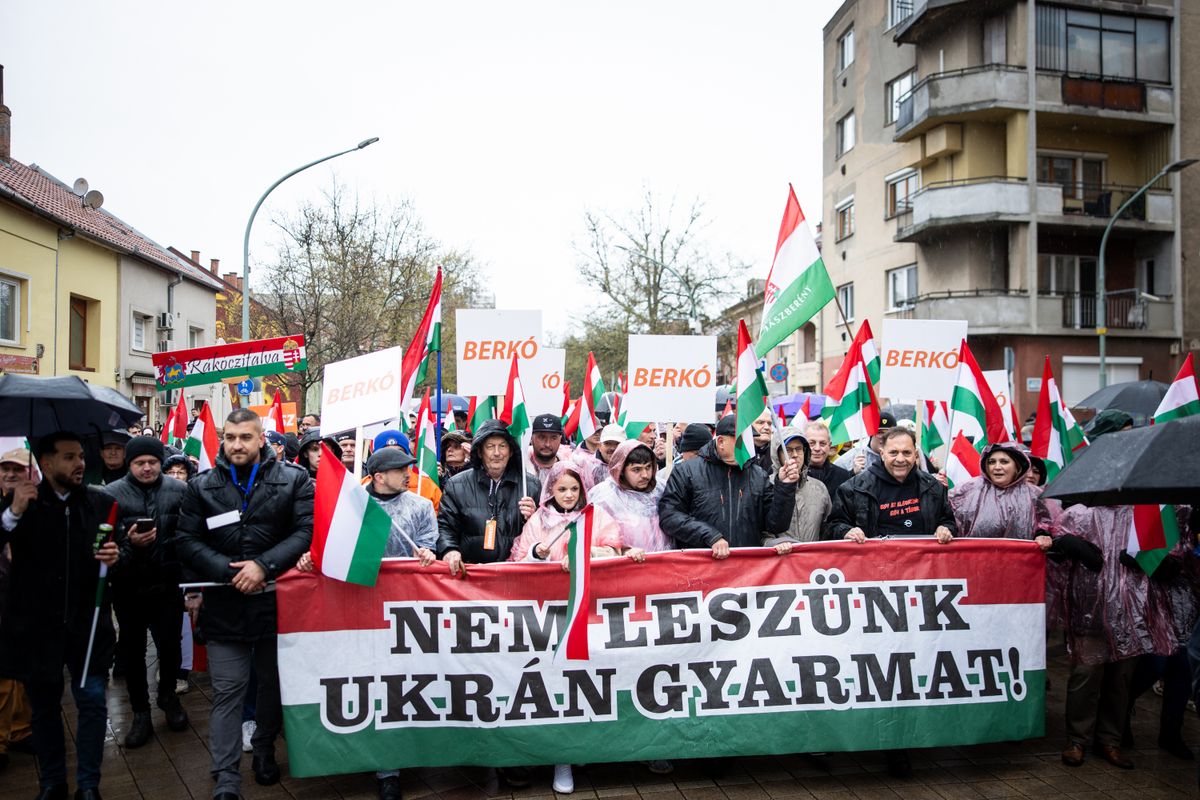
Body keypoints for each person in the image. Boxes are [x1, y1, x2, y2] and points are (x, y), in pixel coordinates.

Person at [175, 409, 314, 800]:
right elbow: (186, 540)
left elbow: (306, 530)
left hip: (276, 605)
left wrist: (263, 566)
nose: (237, 444)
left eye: (245, 437)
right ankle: (226, 776)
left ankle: (265, 750)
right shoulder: (202, 485)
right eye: (230, 437)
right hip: (225, 605)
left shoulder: (293, 479)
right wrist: (227, 571)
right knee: (227, 692)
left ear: (261, 440)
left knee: (270, 685)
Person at [296, 446, 435, 800]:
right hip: (359, 611)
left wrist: (427, 555)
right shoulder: (351, 507)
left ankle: (408, 752)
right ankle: (385, 766)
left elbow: (429, 545)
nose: (407, 474)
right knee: (373, 685)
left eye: (408, 467)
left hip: (407, 615)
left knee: (406, 686)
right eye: (399, 469)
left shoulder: (419, 505)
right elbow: (326, 546)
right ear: (377, 476)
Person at [0, 432, 123, 800]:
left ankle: (88, 784)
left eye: (81, 456)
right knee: (44, 709)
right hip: (38, 628)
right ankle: (52, 782)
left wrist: (117, 557)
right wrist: (13, 512)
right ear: (47, 463)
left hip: (89, 627)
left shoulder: (99, 503)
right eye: (69, 457)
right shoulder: (24, 503)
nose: (79, 464)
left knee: (91, 702)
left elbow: (123, 553)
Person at [508, 463, 637, 795]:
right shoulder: (538, 520)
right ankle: (561, 758)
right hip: (549, 618)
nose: (568, 495)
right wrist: (538, 555)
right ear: (551, 490)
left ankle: (583, 748)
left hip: (590, 613)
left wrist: (584, 552)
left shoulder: (597, 517)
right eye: (561, 489)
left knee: (588, 683)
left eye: (574, 489)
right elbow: (519, 561)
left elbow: (615, 550)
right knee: (555, 684)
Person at [1053, 502, 1176, 770]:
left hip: (1130, 614)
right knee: (1084, 677)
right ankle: (1077, 740)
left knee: (1120, 681)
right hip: (1089, 609)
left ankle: (1110, 740)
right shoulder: (1080, 512)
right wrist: (1069, 543)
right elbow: (1054, 544)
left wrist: (1151, 559)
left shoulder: (1146, 515)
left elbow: (1171, 559)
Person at [101, 436, 190, 748]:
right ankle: (140, 712)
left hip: (168, 584)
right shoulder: (110, 495)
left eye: (152, 461)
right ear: (130, 464)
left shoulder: (179, 490)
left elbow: (190, 536)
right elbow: (102, 549)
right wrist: (130, 546)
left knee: (170, 646)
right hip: (128, 587)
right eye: (140, 463)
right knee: (133, 651)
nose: (147, 467)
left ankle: (168, 697)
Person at [659, 415, 800, 555]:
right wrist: (709, 536)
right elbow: (669, 516)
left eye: (749, 442)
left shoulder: (758, 475)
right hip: (702, 568)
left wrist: (785, 487)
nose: (748, 447)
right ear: (720, 442)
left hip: (747, 568)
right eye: (742, 442)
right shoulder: (687, 471)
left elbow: (776, 525)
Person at [437, 418, 540, 573]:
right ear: (479, 451)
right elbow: (445, 527)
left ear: (511, 451)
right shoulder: (456, 485)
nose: (497, 453)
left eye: (503, 446)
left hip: (517, 575)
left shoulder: (530, 485)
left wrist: (534, 517)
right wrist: (449, 550)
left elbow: (544, 530)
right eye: (490, 447)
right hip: (472, 575)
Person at [826, 427, 956, 545]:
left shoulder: (933, 487)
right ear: (882, 454)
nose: (900, 459)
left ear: (915, 455)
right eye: (893, 452)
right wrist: (847, 531)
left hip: (921, 566)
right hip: (875, 566)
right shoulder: (854, 489)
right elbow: (833, 526)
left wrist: (944, 528)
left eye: (906, 453)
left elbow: (949, 521)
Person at [0, 448, 33, 772]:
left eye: (17, 469)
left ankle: (21, 730)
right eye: (5, 469)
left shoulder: (41, 505)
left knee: (23, 673)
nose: (10, 474)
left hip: (29, 602)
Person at [948, 442, 1054, 543]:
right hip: (977, 559)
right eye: (992, 462)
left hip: (1020, 560)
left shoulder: (1035, 495)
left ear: (1017, 467)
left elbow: (1049, 523)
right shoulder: (968, 489)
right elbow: (947, 517)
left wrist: (1043, 534)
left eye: (1004, 462)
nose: (997, 467)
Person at [589, 440, 672, 553]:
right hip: (625, 567)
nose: (645, 475)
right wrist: (624, 551)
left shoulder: (661, 489)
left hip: (663, 564)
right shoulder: (605, 496)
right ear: (621, 470)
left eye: (648, 467)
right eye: (636, 470)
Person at [761, 427, 831, 546]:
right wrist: (774, 543)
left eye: (798, 449)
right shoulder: (765, 486)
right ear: (777, 455)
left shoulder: (819, 488)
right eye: (787, 450)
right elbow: (760, 533)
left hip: (812, 560)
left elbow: (828, 528)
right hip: (779, 560)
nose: (794, 455)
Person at [369, 429, 442, 512]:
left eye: (399, 452)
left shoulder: (427, 486)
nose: (393, 457)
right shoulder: (363, 486)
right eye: (386, 452)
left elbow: (439, 520)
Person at [839, 411, 898, 475]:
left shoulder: (900, 457)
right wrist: (852, 473)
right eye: (880, 432)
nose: (884, 437)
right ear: (871, 433)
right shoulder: (852, 456)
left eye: (889, 433)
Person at [804, 420, 853, 497]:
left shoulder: (844, 477)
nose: (817, 448)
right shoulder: (794, 476)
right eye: (812, 443)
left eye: (822, 444)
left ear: (829, 446)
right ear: (804, 445)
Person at [528, 414, 571, 483]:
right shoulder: (519, 470)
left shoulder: (571, 470)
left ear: (560, 439)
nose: (547, 444)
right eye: (542, 437)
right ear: (531, 438)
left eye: (553, 438)